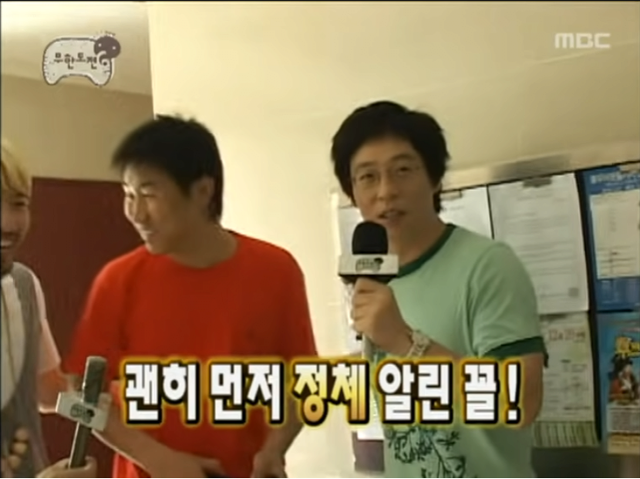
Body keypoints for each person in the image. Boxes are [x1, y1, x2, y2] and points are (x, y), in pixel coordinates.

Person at [63, 115, 318, 478]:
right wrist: (158, 459)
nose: (135, 213)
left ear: (202, 191)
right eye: (128, 194)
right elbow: (80, 394)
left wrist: (274, 450)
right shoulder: (117, 280)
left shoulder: (277, 270)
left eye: (149, 194)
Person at [330, 101, 547, 478]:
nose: (386, 191)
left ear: (434, 178)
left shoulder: (488, 266)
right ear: (352, 193)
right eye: (367, 177)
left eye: (402, 170)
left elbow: (522, 402)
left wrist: (405, 342)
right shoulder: (377, 278)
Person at [1, 140, 98, 478]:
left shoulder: (25, 285)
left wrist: (102, 413)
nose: (7, 223)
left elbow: (48, 393)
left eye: (18, 203)